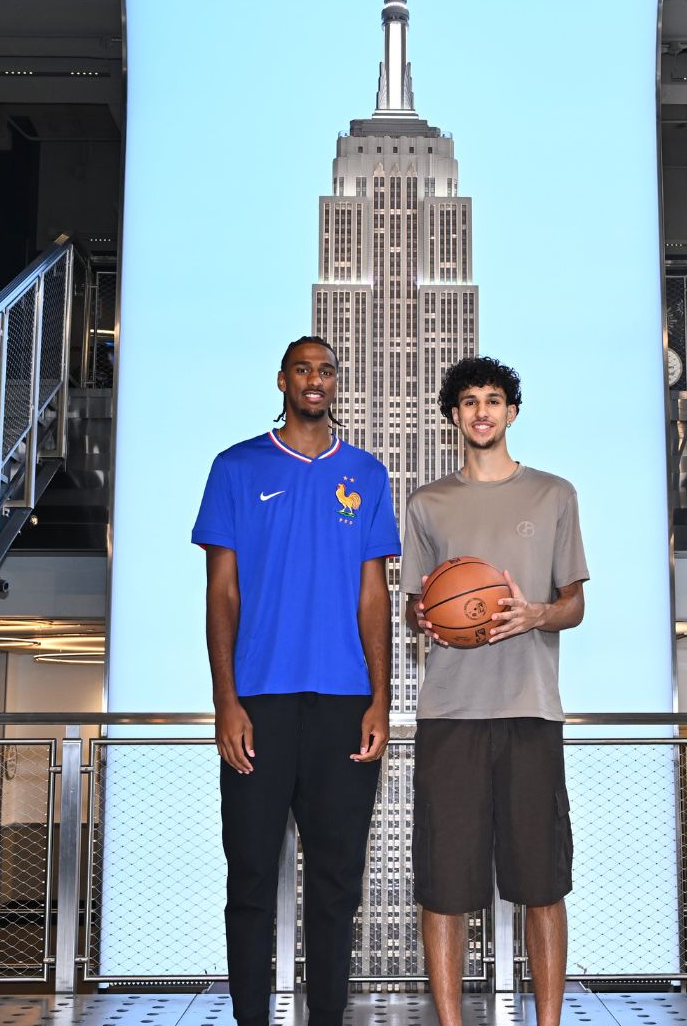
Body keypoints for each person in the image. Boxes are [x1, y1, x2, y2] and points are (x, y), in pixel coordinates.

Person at [192, 336, 399, 1026]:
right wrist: (226, 701)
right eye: (304, 369)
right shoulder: (235, 467)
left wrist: (381, 699)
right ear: (282, 379)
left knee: (337, 885)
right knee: (249, 879)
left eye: (327, 370)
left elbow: (375, 597)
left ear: (336, 383)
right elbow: (221, 593)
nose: (316, 380)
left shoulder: (366, 474)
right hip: (259, 704)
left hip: (344, 706)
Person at [403, 356, 587, 1026]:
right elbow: (415, 608)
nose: (482, 411)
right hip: (450, 714)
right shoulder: (427, 503)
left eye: (494, 400)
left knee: (542, 882)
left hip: (532, 711)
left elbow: (573, 604)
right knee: (446, 886)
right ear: (453, 415)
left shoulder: (554, 494)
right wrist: (423, 618)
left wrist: (536, 614)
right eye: (469, 401)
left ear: (511, 411)